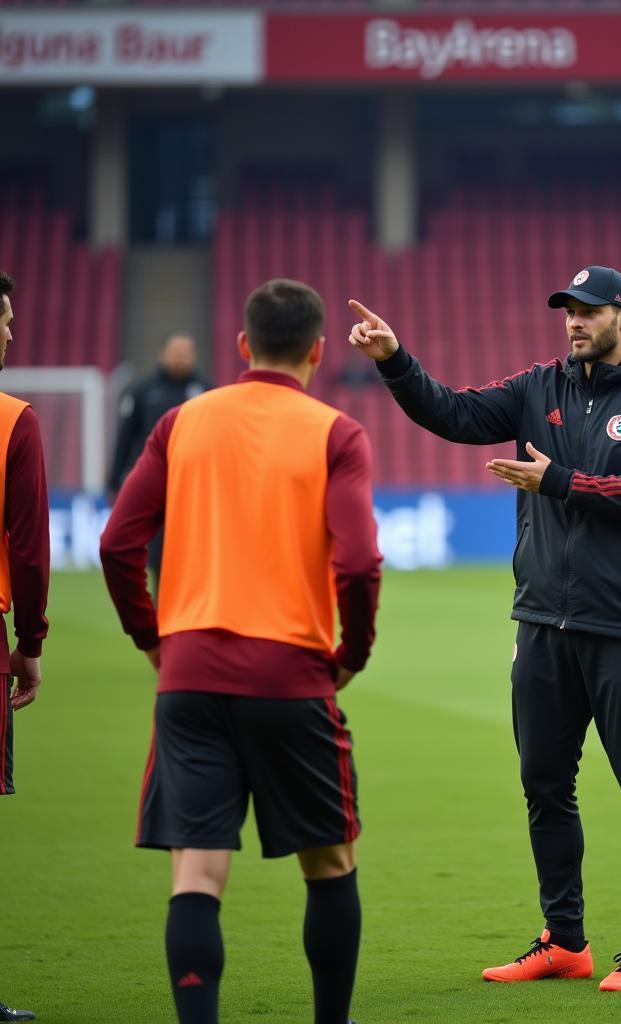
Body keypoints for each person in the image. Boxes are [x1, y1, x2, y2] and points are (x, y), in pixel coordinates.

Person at [348, 265, 621, 992]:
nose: (575, 322)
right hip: (543, 623)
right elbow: (456, 415)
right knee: (543, 784)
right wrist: (394, 362)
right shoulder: (541, 386)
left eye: (590, 311)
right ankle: (565, 940)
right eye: (568, 310)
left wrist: (556, 481)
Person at [100, 279, 382, 1024]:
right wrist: (353, 651)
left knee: (196, 871)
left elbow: (117, 542)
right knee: (329, 862)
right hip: (291, 677)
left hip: (188, 677)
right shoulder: (337, 432)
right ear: (319, 351)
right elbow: (356, 564)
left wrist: (151, 636)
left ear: (240, 346)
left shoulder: (181, 423)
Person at [0, 272, 51, 1024]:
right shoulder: (12, 421)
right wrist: (30, 642)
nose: (11, 333)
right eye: (3, 319)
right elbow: (30, 549)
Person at [107, 332, 212, 582]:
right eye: (176, 353)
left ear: (194, 356)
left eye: (186, 353)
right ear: (162, 354)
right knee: (157, 552)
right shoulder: (142, 390)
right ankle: (161, 604)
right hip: (153, 484)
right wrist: (114, 480)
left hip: (193, 484)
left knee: (194, 552)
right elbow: (125, 437)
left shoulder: (207, 390)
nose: (181, 358)